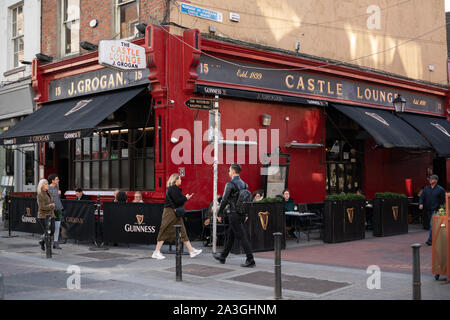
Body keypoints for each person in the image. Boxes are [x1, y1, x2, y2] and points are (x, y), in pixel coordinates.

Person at [213, 164, 255, 268]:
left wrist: (219, 213)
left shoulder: (230, 184)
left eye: (229, 170)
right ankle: (223, 256)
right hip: (241, 214)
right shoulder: (245, 184)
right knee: (231, 235)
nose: (228, 172)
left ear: (232, 171)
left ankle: (250, 259)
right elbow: (246, 201)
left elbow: (224, 200)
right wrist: (245, 214)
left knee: (242, 237)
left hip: (233, 213)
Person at [152, 174, 202, 260]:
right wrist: (186, 198)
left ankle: (191, 251)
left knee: (182, 231)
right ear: (175, 180)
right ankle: (156, 252)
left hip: (172, 211)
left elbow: (177, 200)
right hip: (170, 212)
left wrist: (185, 198)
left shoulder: (171, 189)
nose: (181, 181)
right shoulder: (174, 188)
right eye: (180, 179)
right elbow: (178, 201)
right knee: (164, 229)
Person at [419, 175, 446, 246]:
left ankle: (430, 240)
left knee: (432, 225)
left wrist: (442, 210)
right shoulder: (426, 189)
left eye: (431, 179)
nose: (430, 180)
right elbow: (422, 197)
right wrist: (420, 203)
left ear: (436, 180)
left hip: (436, 210)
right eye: (429, 179)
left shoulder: (441, 189)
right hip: (428, 210)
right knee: (434, 226)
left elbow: (444, 201)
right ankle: (438, 238)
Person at [36, 179, 56, 252]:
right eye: (45, 184)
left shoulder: (49, 193)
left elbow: (53, 202)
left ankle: (42, 241)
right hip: (43, 216)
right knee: (47, 232)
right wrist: (51, 206)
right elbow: (42, 207)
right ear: (41, 186)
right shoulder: (40, 195)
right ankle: (48, 250)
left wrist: (53, 204)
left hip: (51, 215)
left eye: (47, 183)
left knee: (52, 231)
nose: (47, 185)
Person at [48, 174, 64, 250]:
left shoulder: (57, 187)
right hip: (51, 210)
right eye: (57, 179)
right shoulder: (48, 188)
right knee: (50, 227)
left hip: (58, 209)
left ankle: (55, 242)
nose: (58, 180)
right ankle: (43, 240)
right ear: (52, 180)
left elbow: (58, 199)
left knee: (57, 226)